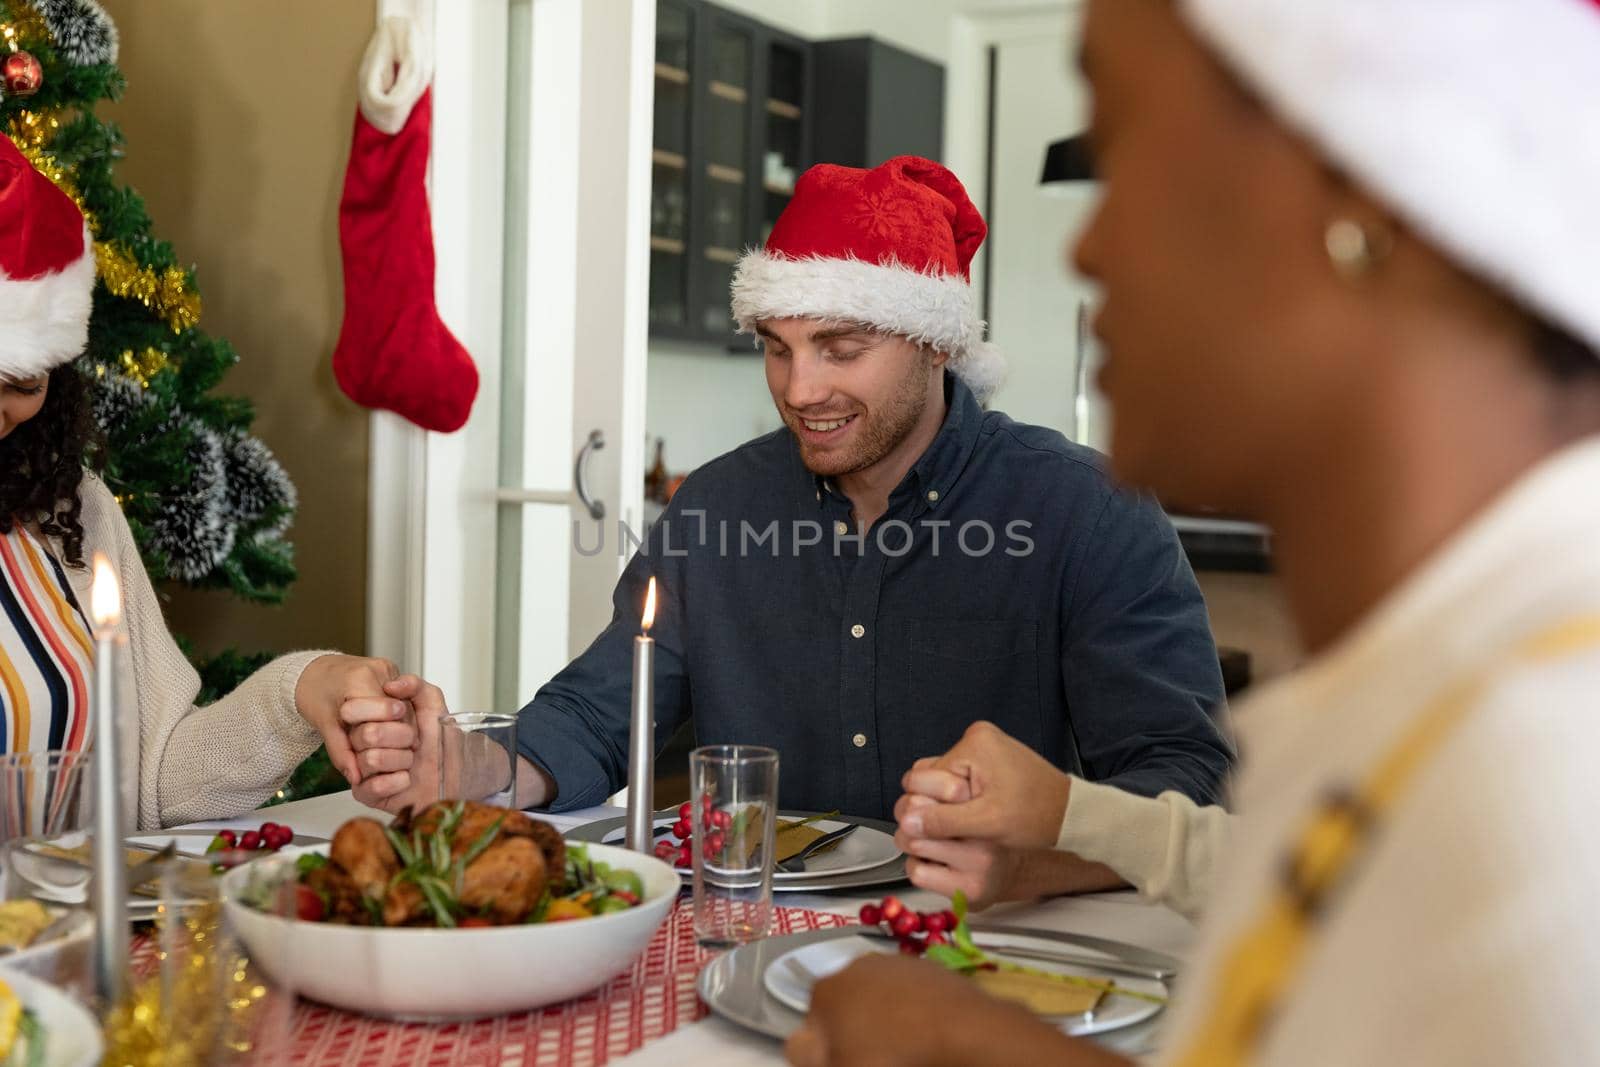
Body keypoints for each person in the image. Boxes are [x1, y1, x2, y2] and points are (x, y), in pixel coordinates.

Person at [787, 1, 1600, 1065]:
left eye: (1126, 149)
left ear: (1356, 195)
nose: (1088, 246)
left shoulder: (1539, 768)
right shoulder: (1428, 694)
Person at [351, 155, 1233, 822]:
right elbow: (598, 714)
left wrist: (1038, 844)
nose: (799, 388)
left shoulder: (1088, 511)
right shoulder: (714, 509)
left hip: (993, 950)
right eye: (778, 346)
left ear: (933, 343)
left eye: (840, 349)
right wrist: (472, 767)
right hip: (750, 933)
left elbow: (1184, 779)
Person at [0, 137, 430, 829]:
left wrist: (302, 690)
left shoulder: (71, 511)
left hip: (76, 933)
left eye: (20, 382)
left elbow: (159, 778)